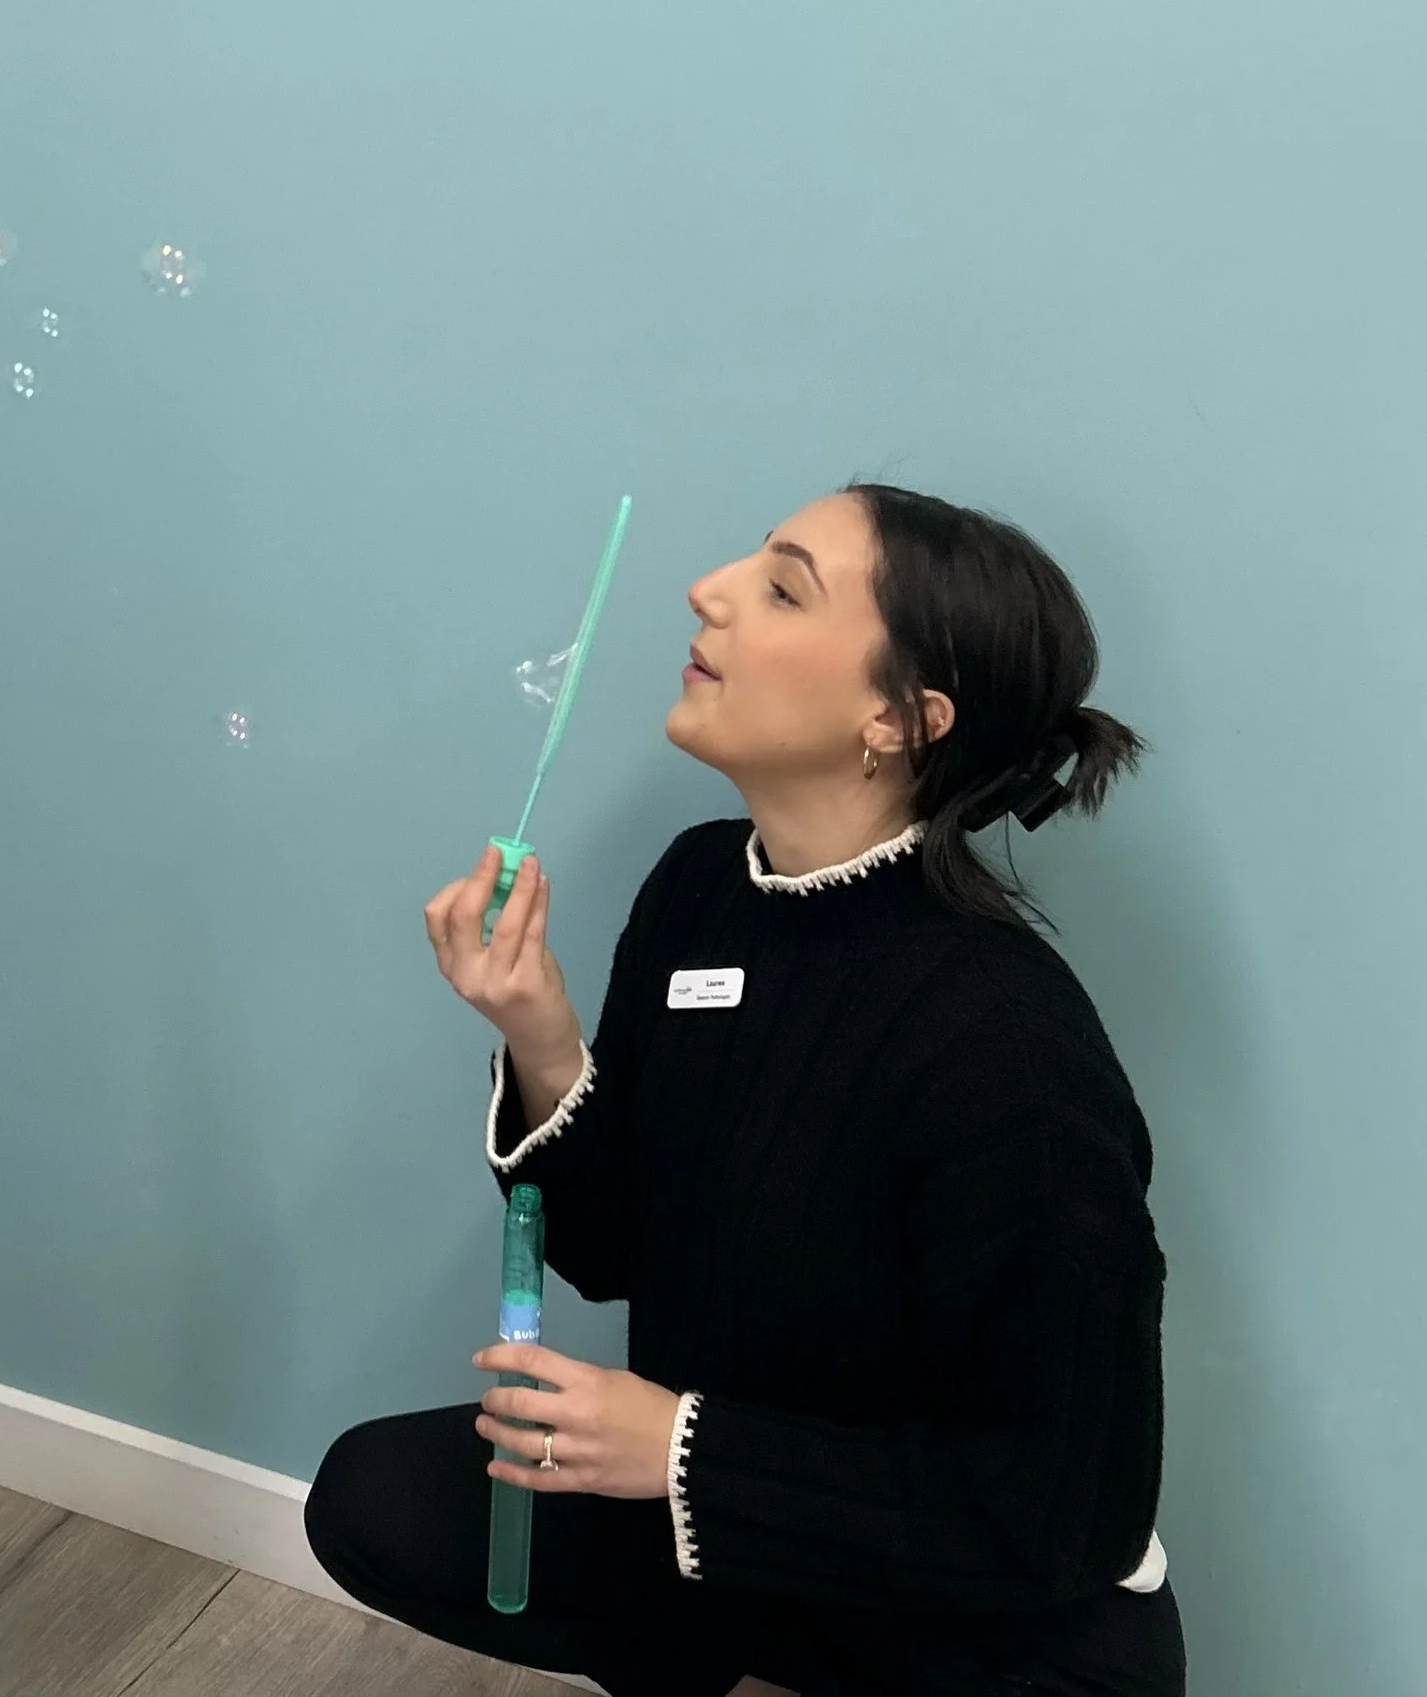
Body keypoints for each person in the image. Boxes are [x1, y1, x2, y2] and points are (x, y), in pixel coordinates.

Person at [303, 486, 1187, 1697]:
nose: (706, 589)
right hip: (737, 1519)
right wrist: (542, 1037)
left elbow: (1056, 1509)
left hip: (986, 1615)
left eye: (781, 586)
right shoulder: (702, 887)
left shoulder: (1007, 1046)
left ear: (898, 717)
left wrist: (674, 1447)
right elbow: (616, 1248)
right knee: (374, 1498)